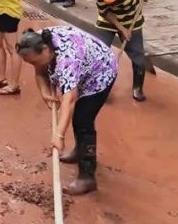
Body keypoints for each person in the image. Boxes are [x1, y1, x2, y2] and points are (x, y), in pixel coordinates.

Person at [17, 26, 118, 195]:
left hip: (101, 72)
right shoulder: (38, 39)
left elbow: (69, 100)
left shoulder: (67, 59)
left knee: (83, 119)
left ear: (45, 49)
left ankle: (87, 177)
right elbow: (40, 71)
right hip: (85, 65)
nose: (33, 65)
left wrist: (59, 135)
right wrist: (45, 92)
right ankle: (80, 150)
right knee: (80, 118)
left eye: (34, 61)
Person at [94, 0, 158, 102]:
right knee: (99, 53)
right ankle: (99, 87)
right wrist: (121, 29)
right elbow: (104, 12)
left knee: (137, 55)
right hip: (108, 21)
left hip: (131, 18)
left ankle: (138, 88)